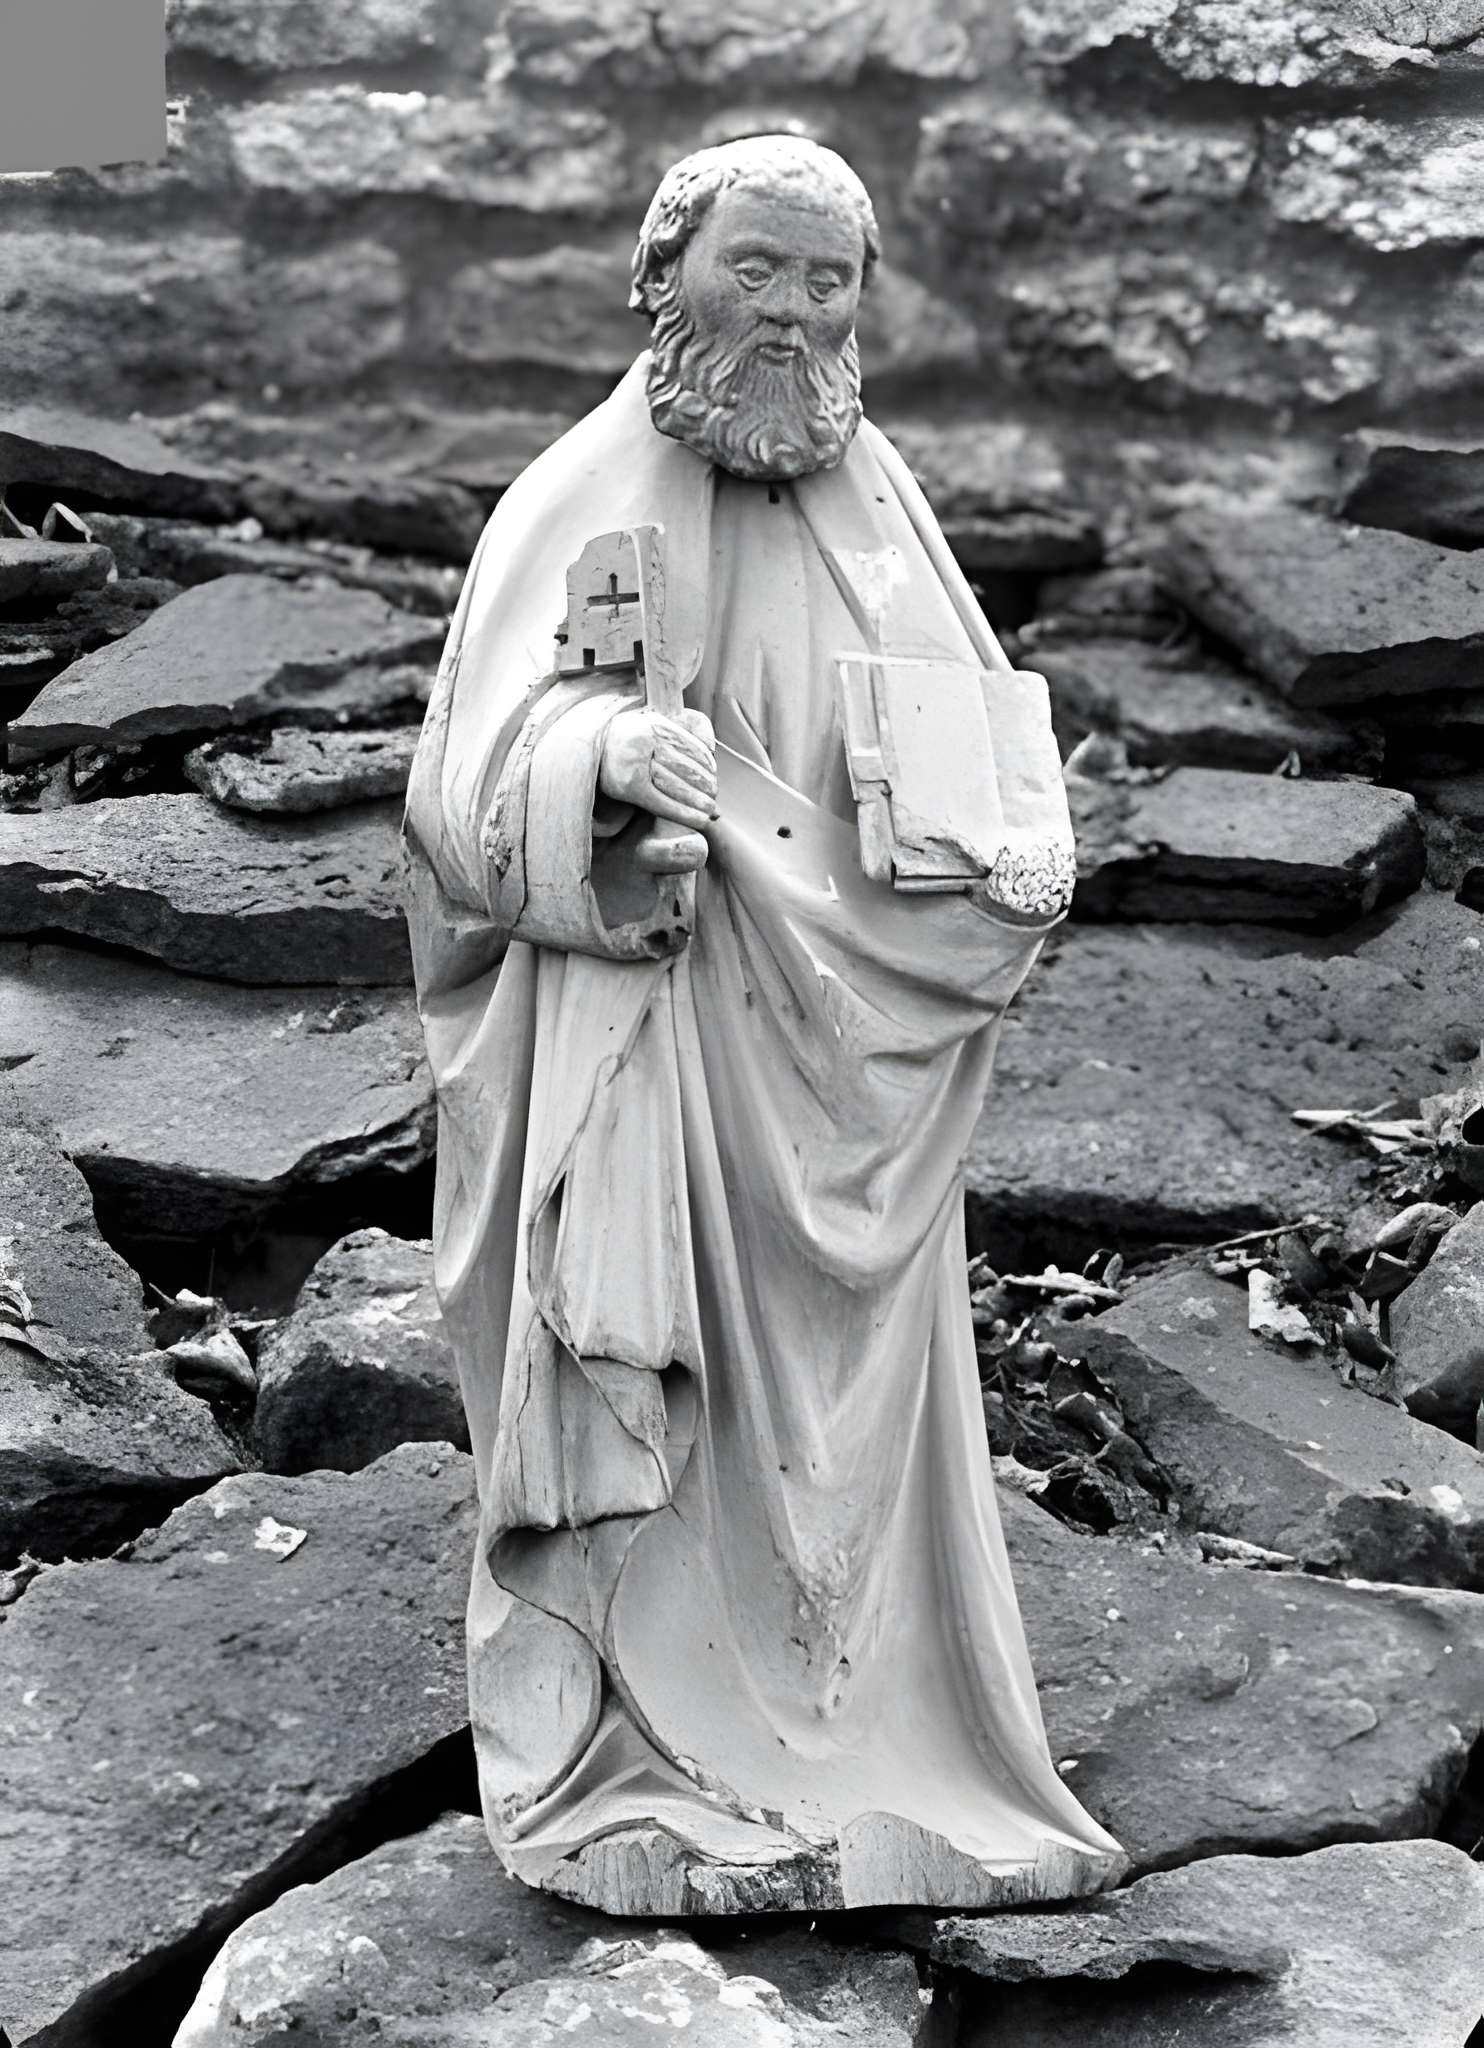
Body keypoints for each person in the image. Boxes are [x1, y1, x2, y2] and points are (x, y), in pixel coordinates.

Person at [402, 132, 1127, 1915]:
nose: (796, 314)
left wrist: (1018, 864)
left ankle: (887, 1747)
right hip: (655, 1049)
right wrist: (589, 767)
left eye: (830, 281)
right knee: (665, 1404)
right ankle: (642, 1752)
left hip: (848, 1076)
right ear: (670, 281)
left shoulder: (886, 506)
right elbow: (453, 798)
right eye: (760, 272)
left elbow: (965, 747)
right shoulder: (578, 497)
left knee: (852, 1450)